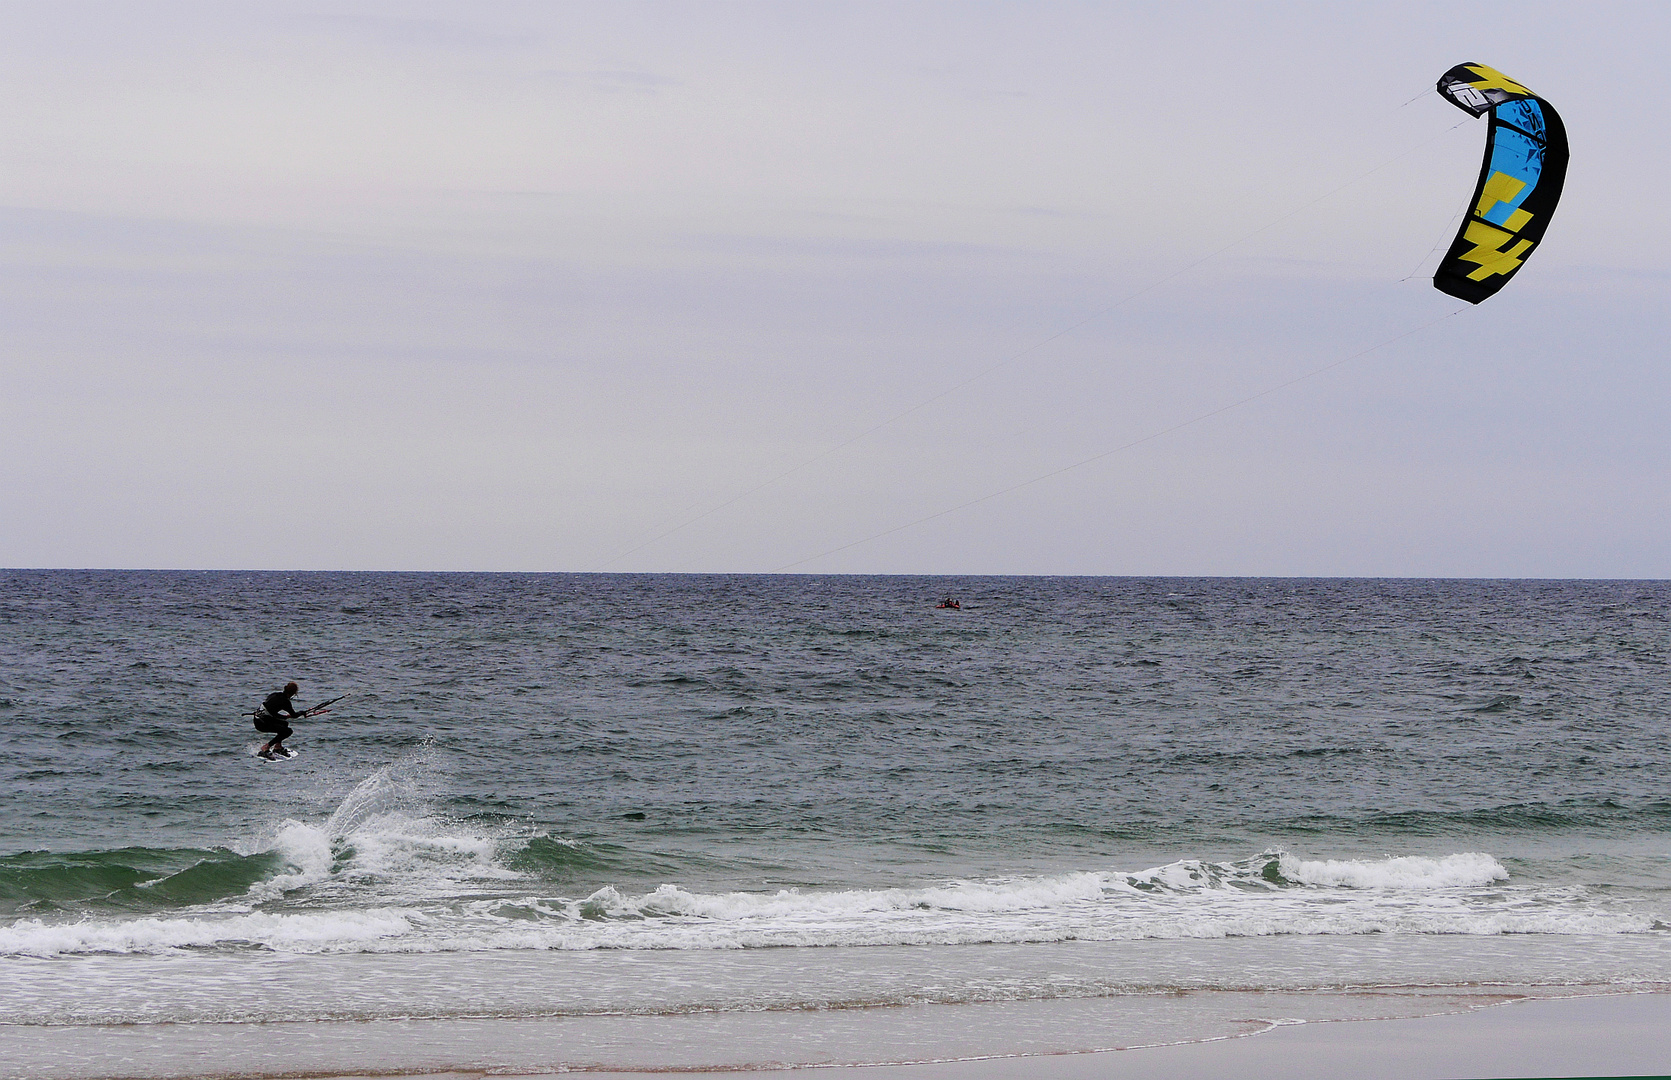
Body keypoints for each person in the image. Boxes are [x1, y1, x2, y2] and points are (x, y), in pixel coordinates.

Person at [254, 681, 302, 759]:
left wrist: (284, 717)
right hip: (262, 724)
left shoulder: (275, 695)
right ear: (293, 693)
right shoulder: (285, 702)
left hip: (258, 720)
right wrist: (301, 713)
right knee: (288, 731)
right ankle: (266, 747)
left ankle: (277, 747)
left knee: (284, 724)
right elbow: (294, 715)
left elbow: (271, 712)